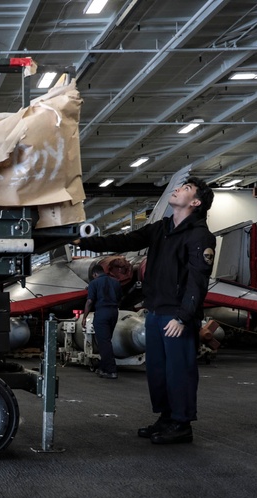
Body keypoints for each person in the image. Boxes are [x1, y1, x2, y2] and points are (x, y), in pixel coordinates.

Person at [74, 176, 216, 444]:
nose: (176, 189)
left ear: (195, 202)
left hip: (177, 316)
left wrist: (184, 317)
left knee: (179, 370)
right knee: (158, 370)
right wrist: (86, 243)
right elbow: (124, 241)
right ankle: (166, 418)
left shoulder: (200, 236)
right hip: (155, 312)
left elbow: (198, 281)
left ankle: (182, 423)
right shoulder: (161, 228)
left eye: (185, 188)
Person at [81, 265, 123, 379]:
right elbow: (120, 298)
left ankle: (111, 370)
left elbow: (89, 301)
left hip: (102, 313)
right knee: (106, 341)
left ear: (95, 274)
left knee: (104, 343)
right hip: (114, 312)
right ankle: (103, 368)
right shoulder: (115, 282)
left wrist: (84, 317)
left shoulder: (94, 283)